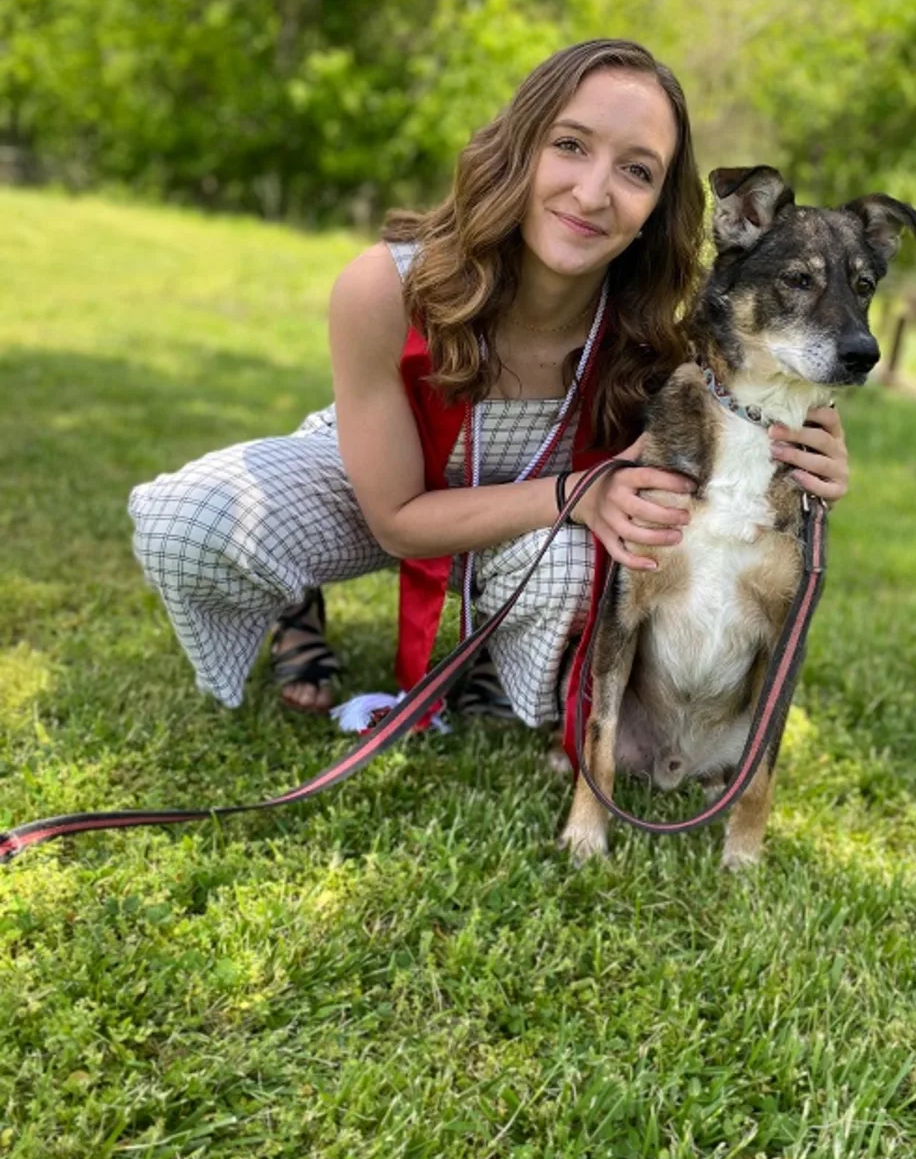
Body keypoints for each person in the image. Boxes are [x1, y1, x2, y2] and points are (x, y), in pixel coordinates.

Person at [128, 39, 849, 736]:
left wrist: (807, 455)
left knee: (584, 569)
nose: (593, 192)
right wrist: (578, 492)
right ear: (518, 147)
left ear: (659, 204)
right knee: (194, 522)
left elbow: (745, 417)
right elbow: (398, 518)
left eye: (636, 171)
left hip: (548, 519)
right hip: (389, 483)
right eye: (569, 145)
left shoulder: (668, 329)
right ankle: (295, 606)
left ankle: (492, 663)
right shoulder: (385, 286)